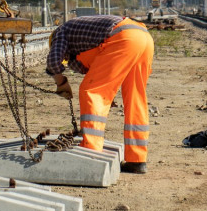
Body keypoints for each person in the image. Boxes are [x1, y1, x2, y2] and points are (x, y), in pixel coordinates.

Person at [47, 14, 154, 174]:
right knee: (135, 98)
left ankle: (91, 154)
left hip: (122, 38)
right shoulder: (82, 42)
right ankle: (136, 159)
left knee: (90, 92)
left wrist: (61, 83)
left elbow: (54, 62)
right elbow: (102, 68)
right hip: (143, 38)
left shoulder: (60, 33)